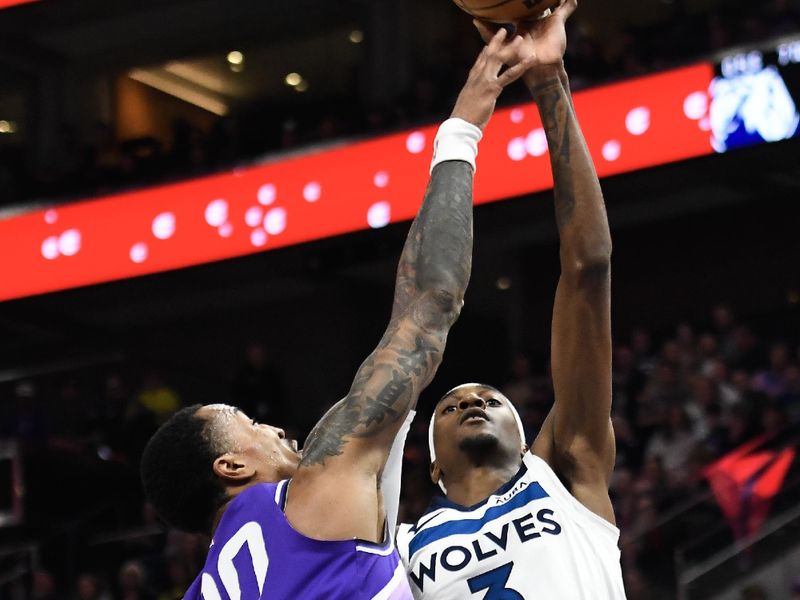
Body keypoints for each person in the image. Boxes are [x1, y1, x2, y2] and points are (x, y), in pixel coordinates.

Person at [140, 31, 534, 600]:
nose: (273, 428)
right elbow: (431, 302)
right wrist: (462, 129)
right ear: (230, 467)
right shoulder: (313, 491)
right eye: (249, 424)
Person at [395, 3, 627, 597]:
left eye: (491, 399)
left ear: (526, 440)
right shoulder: (397, 549)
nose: (472, 401)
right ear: (433, 465)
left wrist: (549, 80)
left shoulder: (567, 474)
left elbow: (588, 265)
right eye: (448, 407)